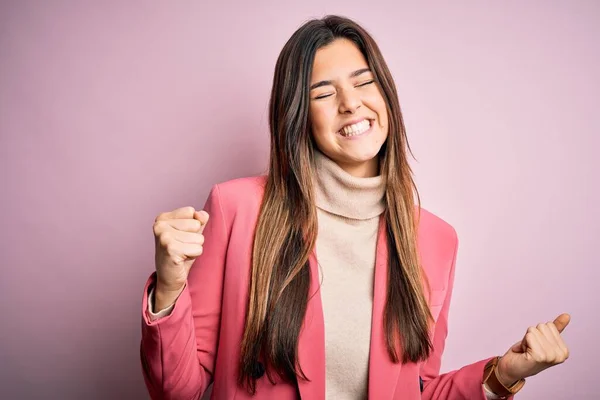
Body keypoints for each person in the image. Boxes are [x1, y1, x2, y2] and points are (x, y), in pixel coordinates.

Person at [140, 15, 570, 400]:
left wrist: (501, 376)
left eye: (364, 83)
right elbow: (177, 389)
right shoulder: (237, 209)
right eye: (324, 93)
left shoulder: (437, 240)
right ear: (298, 116)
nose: (351, 103)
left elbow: (416, 391)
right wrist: (169, 287)